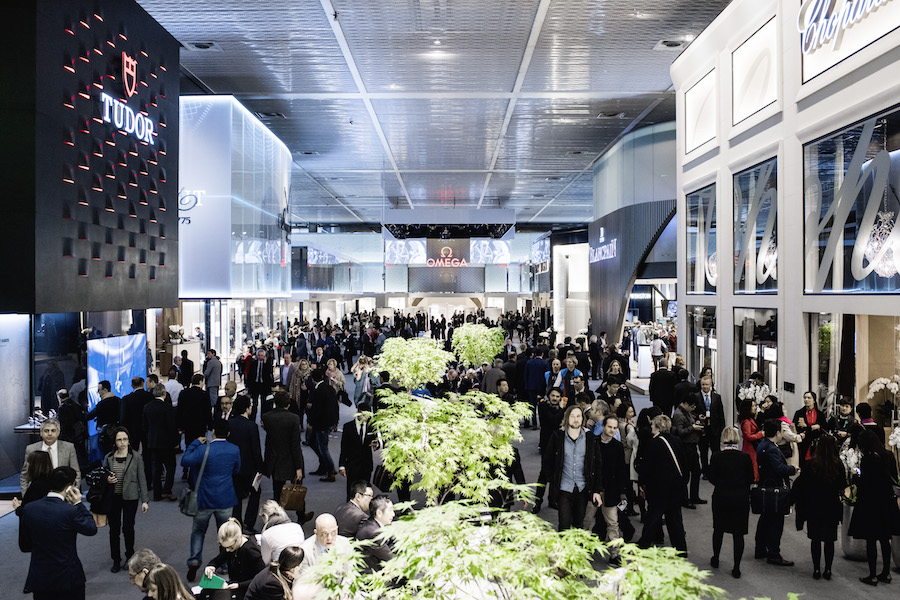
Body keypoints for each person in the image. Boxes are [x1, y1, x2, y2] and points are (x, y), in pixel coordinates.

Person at [19, 466, 98, 600]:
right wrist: (79, 503)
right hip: (68, 577)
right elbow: (91, 529)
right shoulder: (70, 511)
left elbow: (25, 545)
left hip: (40, 578)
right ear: (69, 487)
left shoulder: (29, 508)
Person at [182, 419, 242, 582]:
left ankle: (194, 560)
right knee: (225, 533)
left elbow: (185, 461)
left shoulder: (203, 449)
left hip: (204, 498)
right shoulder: (234, 449)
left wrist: (195, 443)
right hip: (225, 498)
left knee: (198, 531)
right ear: (228, 433)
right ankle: (223, 565)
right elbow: (237, 470)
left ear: (212, 431)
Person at [792, 435, 846, 581]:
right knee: (829, 540)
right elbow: (843, 485)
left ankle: (816, 568)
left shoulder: (811, 464)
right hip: (831, 507)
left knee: (815, 539)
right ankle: (828, 569)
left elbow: (802, 485)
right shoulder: (838, 464)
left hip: (814, 506)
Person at [849, 429, 898, 585]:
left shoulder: (868, 458)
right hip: (887, 502)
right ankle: (886, 572)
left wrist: (857, 476)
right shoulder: (888, 455)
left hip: (870, 503)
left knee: (871, 540)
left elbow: (864, 484)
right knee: (885, 539)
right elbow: (894, 477)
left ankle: (872, 575)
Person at [543, 404, 603, 531]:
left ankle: (576, 550)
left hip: (582, 488)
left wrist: (596, 490)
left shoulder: (590, 438)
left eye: (578, 416)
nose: (576, 419)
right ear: (567, 417)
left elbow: (597, 464)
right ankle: (564, 550)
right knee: (564, 525)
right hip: (564, 487)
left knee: (578, 525)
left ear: (582, 419)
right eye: (572, 416)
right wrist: (552, 480)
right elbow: (547, 460)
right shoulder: (557, 436)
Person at [636, 414, 688, 555]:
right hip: (675, 487)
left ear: (657, 427)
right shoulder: (677, 440)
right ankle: (681, 549)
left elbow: (647, 466)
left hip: (658, 488)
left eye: (653, 425)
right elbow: (683, 463)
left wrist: (642, 483)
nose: (651, 427)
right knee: (675, 519)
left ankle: (643, 545)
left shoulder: (652, 443)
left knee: (653, 517)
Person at [708, 427, 754, 579]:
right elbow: (751, 479)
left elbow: (711, 478)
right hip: (740, 498)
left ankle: (715, 558)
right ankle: (736, 567)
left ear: (722, 439)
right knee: (738, 534)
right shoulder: (745, 457)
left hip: (721, 497)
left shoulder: (716, 457)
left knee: (718, 529)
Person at [102, 426, 150, 573]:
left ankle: (130, 557)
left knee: (128, 528)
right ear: (114, 442)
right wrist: (107, 479)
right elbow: (102, 475)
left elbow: (142, 478)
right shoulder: (109, 457)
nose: (122, 442)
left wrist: (145, 500)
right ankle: (115, 559)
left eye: (125, 439)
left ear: (129, 440)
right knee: (114, 529)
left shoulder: (135, 457)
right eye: (119, 440)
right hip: (113, 497)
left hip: (131, 497)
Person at [754, 419, 799, 566]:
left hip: (766, 487)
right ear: (778, 433)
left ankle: (760, 548)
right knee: (775, 522)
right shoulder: (772, 449)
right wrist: (793, 469)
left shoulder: (763, 445)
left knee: (765, 519)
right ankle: (774, 553)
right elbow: (779, 469)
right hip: (775, 490)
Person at [262, 391, 305, 515]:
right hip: (291, 458)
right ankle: (300, 514)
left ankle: (277, 515)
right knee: (297, 488)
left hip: (274, 457)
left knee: (277, 490)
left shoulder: (267, 417)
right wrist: (299, 466)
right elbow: (295, 444)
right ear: (288, 404)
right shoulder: (294, 419)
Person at [593, 414, 628, 563]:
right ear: (603, 427)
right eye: (609, 427)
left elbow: (621, 470)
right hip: (594, 489)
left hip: (611, 490)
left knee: (613, 523)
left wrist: (622, 492)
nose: (612, 430)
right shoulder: (593, 443)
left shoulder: (618, 446)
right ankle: (580, 552)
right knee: (586, 521)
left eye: (615, 428)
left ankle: (615, 554)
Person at [205, 518, 266, 598]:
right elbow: (219, 559)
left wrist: (239, 585)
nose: (227, 550)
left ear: (237, 539)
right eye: (224, 547)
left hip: (249, 591)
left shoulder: (251, 551)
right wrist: (211, 566)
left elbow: (262, 578)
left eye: (230, 547)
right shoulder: (231, 546)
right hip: (235, 586)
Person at [21, 417, 81, 493]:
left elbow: (76, 473)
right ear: (41, 433)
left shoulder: (68, 448)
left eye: (53, 431)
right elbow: (25, 475)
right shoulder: (31, 449)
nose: (49, 434)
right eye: (46, 431)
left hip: (63, 494)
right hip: (37, 495)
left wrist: (73, 493)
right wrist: (26, 497)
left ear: (58, 432)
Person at [532, 387, 565, 513]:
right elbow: (553, 420)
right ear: (548, 396)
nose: (555, 399)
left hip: (559, 445)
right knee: (544, 474)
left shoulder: (562, 409)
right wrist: (561, 410)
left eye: (557, 396)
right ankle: (537, 502)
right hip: (546, 445)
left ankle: (552, 499)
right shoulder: (543, 406)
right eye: (553, 396)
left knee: (557, 473)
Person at [142, 384, 178, 502]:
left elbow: (145, 426)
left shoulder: (147, 407)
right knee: (170, 466)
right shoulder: (167, 408)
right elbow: (172, 427)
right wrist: (175, 441)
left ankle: (157, 494)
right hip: (166, 443)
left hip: (153, 442)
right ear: (164, 393)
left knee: (156, 468)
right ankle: (167, 490)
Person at [671, 396, 705, 507]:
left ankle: (693, 497)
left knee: (695, 472)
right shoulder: (679, 415)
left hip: (691, 446)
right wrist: (693, 428)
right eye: (692, 406)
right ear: (685, 403)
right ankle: (685, 499)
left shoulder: (686, 412)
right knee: (686, 474)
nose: (693, 408)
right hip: (685, 447)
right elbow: (679, 432)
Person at [338, 405, 377, 500]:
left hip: (366, 464)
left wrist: (376, 444)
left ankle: (363, 511)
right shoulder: (348, 426)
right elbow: (344, 447)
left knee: (365, 490)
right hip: (352, 464)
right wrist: (342, 465)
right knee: (352, 490)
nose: (366, 418)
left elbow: (377, 441)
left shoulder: (371, 427)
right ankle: (350, 510)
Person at [308, 368, 339, 481]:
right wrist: (336, 421)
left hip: (322, 423)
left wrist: (311, 422)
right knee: (313, 443)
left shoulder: (318, 391)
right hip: (330, 421)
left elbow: (317, 409)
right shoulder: (329, 388)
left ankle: (330, 470)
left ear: (312, 379)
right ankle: (323, 466)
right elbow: (336, 406)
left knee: (322, 447)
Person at [693, 376, 725, 476]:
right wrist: (698, 416)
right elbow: (692, 412)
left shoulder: (717, 397)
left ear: (711, 385)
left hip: (714, 428)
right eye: (703, 384)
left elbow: (721, 414)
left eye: (707, 384)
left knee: (716, 451)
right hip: (702, 429)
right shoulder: (696, 397)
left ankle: (715, 470)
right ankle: (705, 471)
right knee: (703, 452)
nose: (705, 387)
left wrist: (722, 430)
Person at [356, 495, 395, 573]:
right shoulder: (373, 533)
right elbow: (390, 558)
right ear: (379, 513)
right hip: (370, 575)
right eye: (390, 510)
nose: (393, 514)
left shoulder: (372, 523)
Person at [259, 500, 305, 565]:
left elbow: (265, 561)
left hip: (280, 568)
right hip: (300, 564)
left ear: (265, 516)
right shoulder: (297, 527)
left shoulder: (267, 534)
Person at [793, 391, 828, 467]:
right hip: (803, 443)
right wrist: (812, 427)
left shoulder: (820, 414)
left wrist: (807, 427)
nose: (806, 400)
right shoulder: (799, 413)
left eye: (809, 398)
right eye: (805, 398)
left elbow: (824, 428)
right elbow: (797, 428)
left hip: (816, 444)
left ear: (814, 400)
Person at [120, 378, 154, 453]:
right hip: (148, 429)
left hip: (133, 430)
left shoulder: (126, 399)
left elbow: (123, 418)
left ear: (132, 386)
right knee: (147, 452)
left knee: (132, 452)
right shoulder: (150, 396)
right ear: (143, 384)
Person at [738, 400, 764, 481]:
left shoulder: (749, 419)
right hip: (750, 448)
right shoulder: (746, 422)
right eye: (753, 406)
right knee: (753, 465)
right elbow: (748, 436)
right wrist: (760, 434)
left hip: (752, 447)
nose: (754, 408)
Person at [248, 348, 275, 420]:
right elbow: (250, 375)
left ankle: (263, 419)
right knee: (254, 403)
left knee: (264, 403)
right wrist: (248, 386)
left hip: (264, 386)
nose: (260, 357)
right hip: (255, 385)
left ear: (264, 356)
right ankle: (252, 419)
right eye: (259, 355)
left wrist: (265, 364)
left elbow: (269, 373)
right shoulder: (254, 363)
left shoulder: (267, 363)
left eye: (262, 355)